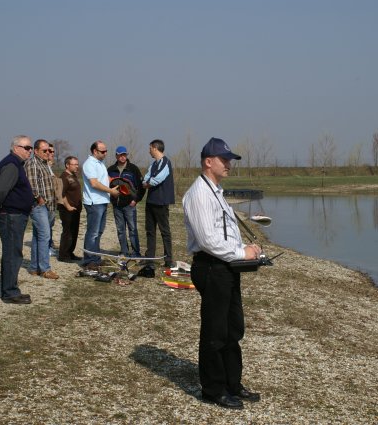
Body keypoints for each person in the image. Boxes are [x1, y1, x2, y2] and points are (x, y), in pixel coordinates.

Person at [182, 137, 262, 410]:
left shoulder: (216, 190)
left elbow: (225, 233)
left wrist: (246, 248)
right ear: (208, 161)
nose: (229, 164)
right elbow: (207, 240)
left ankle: (232, 383)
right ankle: (213, 389)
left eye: (230, 159)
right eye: (224, 159)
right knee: (215, 330)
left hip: (226, 266)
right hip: (211, 267)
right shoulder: (198, 194)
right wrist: (242, 254)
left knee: (233, 327)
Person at [0, 136, 35, 304]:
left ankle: (11, 288)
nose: (29, 151)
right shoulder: (11, 164)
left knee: (14, 252)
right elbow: (1, 189)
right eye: (26, 147)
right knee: (11, 253)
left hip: (15, 215)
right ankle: (9, 292)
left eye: (30, 148)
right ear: (16, 148)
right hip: (11, 216)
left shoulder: (17, 164)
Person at [81, 140, 120, 271]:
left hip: (102, 201)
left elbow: (105, 179)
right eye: (103, 151)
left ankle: (96, 259)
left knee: (99, 232)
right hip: (94, 203)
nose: (105, 153)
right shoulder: (89, 164)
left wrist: (120, 182)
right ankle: (89, 260)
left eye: (106, 151)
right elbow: (94, 183)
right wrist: (111, 191)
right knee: (92, 233)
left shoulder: (100, 163)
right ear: (94, 151)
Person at [24, 139, 59, 279]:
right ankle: (45, 269)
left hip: (48, 205)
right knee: (45, 235)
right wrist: (39, 198)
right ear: (36, 151)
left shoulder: (44, 164)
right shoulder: (32, 163)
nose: (47, 153)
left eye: (49, 150)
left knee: (38, 236)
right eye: (44, 151)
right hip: (38, 206)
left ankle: (34, 267)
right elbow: (31, 185)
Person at [107, 146, 146, 257]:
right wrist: (112, 200)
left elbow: (141, 187)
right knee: (120, 230)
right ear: (116, 155)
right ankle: (124, 251)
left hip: (130, 205)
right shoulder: (110, 170)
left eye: (124, 154)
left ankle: (136, 252)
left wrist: (136, 200)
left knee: (132, 229)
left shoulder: (133, 169)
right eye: (120, 155)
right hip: (117, 205)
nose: (123, 157)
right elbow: (106, 186)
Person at [142, 139, 175, 267]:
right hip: (150, 201)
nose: (149, 150)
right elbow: (146, 178)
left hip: (161, 203)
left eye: (150, 148)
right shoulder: (153, 164)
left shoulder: (166, 162)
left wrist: (148, 183)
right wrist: (146, 182)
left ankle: (168, 260)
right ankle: (149, 258)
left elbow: (157, 179)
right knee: (150, 231)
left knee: (164, 231)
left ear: (155, 148)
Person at [57, 156, 82, 261]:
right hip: (67, 210)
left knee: (74, 232)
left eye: (77, 164)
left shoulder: (73, 176)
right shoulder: (64, 177)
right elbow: (61, 194)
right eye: (74, 164)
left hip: (75, 209)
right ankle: (63, 255)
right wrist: (68, 206)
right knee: (67, 232)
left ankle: (70, 252)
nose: (77, 166)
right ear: (67, 165)